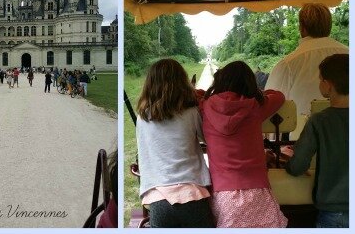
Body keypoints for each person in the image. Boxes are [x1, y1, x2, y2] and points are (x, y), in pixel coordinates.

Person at [200, 61, 287, 228]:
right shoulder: (255, 106)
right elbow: (279, 96)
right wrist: (259, 93)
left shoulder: (205, 106)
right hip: (258, 191)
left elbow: (194, 94)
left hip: (224, 195)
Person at [136, 59, 213, 228]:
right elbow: (208, 139)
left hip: (158, 197)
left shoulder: (143, 117)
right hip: (193, 193)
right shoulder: (191, 112)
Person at [283, 54, 349, 228]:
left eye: (320, 79)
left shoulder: (319, 121)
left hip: (333, 210)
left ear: (328, 85)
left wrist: (291, 164)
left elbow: (298, 166)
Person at [265, 3, 348, 116]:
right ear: (329, 26)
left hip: (301, 132)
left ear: (302, 28)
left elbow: (269, 108)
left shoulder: (287, 64)